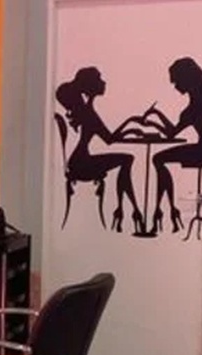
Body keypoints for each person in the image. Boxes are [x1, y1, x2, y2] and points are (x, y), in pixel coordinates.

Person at [56, 67, 144, 233]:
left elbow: (109, 138)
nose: (103, 82)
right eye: (99, 79)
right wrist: (131, 124)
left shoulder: (85, 111)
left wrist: (131, 126)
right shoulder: (88, 113)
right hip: (82, 164)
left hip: (78, 162)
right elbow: (110, 139)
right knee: (127, 159)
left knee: (126, 159)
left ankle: (128, 211)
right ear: (90, 85)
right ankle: (131, 210)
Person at [143, 58, 202, 234]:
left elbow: (170, 134)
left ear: (186, 79)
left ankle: (164, 209)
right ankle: (166, 210)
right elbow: (172, 132)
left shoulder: (194, 107)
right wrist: (156, 115)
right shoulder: (198, 102)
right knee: (159, 159)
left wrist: (153, 119)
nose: (175, 86)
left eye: (176, 82)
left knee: (158, 159)